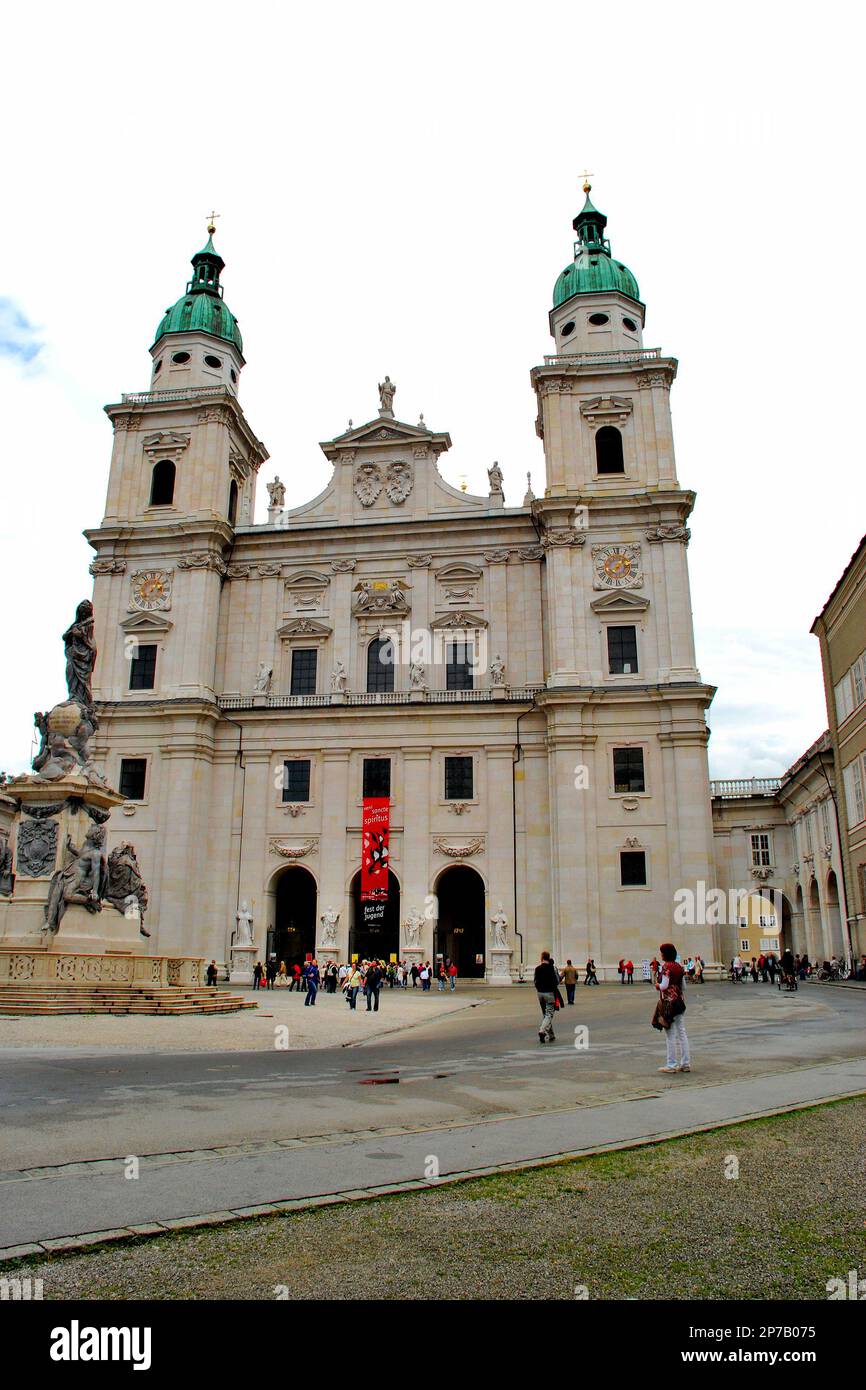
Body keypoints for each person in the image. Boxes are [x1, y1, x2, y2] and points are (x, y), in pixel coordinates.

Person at [655, 941, 690, 1074]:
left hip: (669, 1003)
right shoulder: (679, 967)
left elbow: (664, 985)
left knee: (670, 1034)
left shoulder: (666, 967)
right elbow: (684, 987)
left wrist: (657, 986)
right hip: (680, 1002)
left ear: (665, 954)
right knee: (682, 1032)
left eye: (661, 952)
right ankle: (686, 1063)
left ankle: (671, 1064)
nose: (660, 954)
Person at [534, 950, 558, 1044]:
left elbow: (535, 981)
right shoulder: (552, 968)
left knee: (545, 1014)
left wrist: (539, 989)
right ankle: (542, 1031)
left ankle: (551, 1035)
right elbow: (556, 981)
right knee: (549, 1014)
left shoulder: (537, 968)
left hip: (540, 993)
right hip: (549, 993)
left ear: (542, 958)